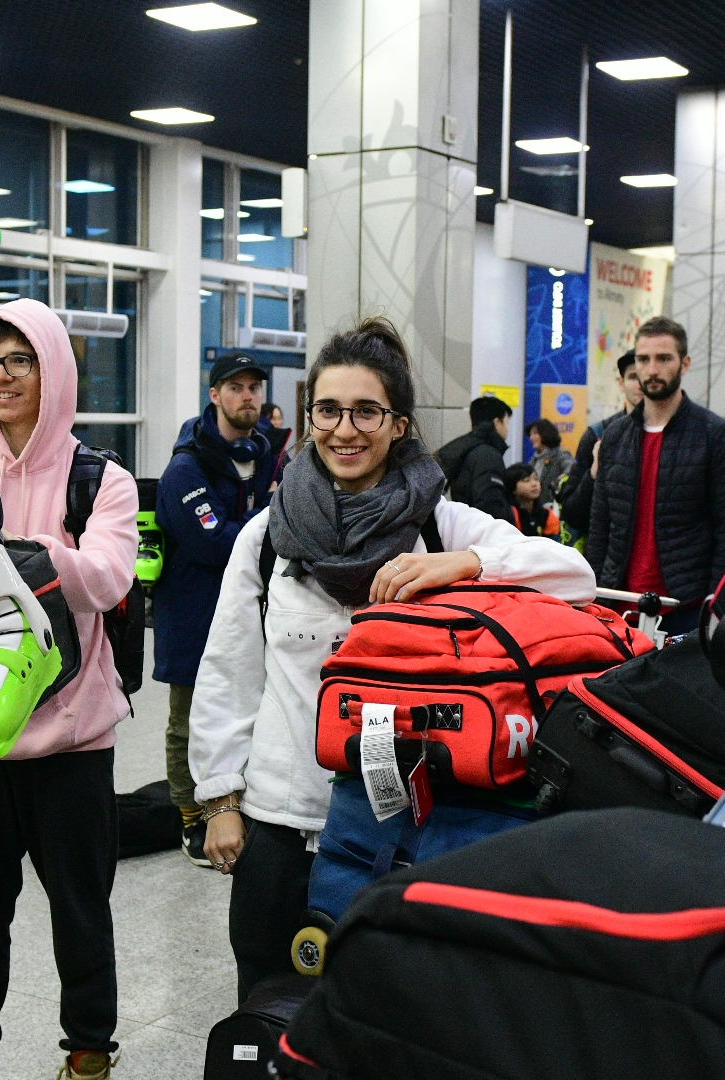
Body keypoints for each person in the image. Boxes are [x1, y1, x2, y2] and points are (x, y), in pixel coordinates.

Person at [187, 316, 593, 1002]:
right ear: (309, 417)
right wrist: (220, 800)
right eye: (328, 410)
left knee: (381, 1007)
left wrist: (465, 564)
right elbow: (229, 670)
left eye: (367, 411)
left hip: (398, 823)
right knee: (267, 998)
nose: (345, 430)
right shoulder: (267, 537)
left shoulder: (441, 523)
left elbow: (574, 574)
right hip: (282, 817)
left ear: (398, 424)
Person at [0, 298, 136, 1080]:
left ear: (53, 370)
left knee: (81, 914)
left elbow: (108, 579)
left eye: (21, 359)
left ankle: (88, 1053)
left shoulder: (101, 480)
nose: (2, 376)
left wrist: (14, 552)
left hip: (73, 739)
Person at [153, 352, 279, 867]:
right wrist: (268, 521)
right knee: (189, 720)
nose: (247, 396)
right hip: (193, 611)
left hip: (253, 609)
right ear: (214, 395)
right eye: (235, 388)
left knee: (250, 709)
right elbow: (216, 543)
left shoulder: (266, 454)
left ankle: (238, 806)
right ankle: (191, 818)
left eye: (254, 387)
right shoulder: (186, 468)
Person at [585, 316, 725, 634]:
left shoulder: (716, 435)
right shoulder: (616, 437)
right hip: (618, 605)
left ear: (684, 363)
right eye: (643, 359)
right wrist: (591, 595)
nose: (652, 370)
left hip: (686, 607)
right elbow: (600, 528)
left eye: (663, 359)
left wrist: (715, 607)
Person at [558, 350, 639, 545]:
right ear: (621, 383)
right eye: (633, 377)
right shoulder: (598, 435)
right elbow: (571, 513)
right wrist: (593, 474)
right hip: (607, 550)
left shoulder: (681, 435)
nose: (641, 383)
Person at [437, 394, 514, 520]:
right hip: (483, 530)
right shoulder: (487, 455)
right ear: (497, 422)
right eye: (506, 422)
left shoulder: (464, 450)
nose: (508, 429)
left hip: (464, 526)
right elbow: (490, 504)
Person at [525, 418, 573, 508]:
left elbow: (571, 471)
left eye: (535, 433)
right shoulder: (533, 461)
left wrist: (558, 481)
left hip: (555, 508)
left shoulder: (561, 455)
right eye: (530, 434)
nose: (531, 438)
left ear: (546, 434)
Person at [506, 462, 560, 537]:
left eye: (536, 479)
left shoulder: (547, 515)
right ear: (512, 488)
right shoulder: (508, 513)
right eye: (526, 480)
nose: (534, 484)